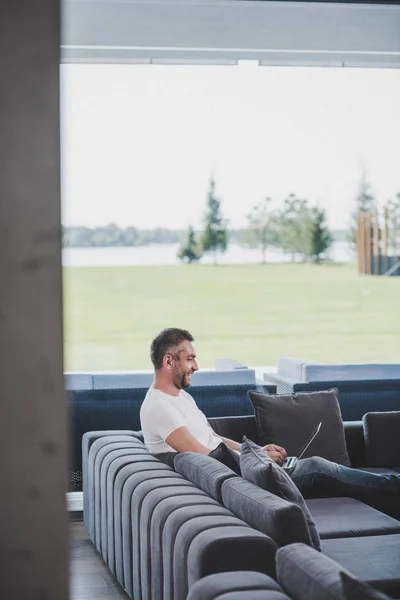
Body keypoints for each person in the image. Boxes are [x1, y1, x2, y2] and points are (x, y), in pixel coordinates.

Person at [140, 327, 400, 497]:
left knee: (318, 468)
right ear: (168, 361)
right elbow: (202, 456)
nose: (196, 366)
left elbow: (212, 439)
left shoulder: (180, 397)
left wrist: (256, 451)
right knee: (319, 467)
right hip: (244, 479)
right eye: (189, 359)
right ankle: (392, 486)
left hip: (247, 468)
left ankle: (390, 487)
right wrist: (256, 462)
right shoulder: (159, 407)